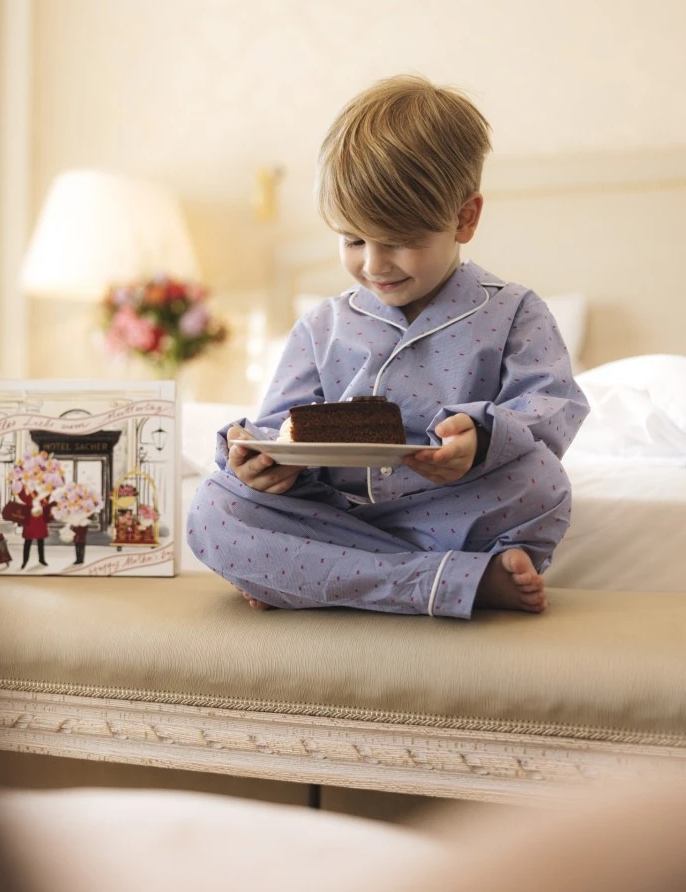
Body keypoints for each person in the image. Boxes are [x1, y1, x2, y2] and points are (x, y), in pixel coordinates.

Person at [187, 75, 589, 619]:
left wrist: (483, 437)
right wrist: (252, 458)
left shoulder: (514, 311)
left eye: (399, 241)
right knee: (214, 509)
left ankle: (314, 580)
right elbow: (279, 424)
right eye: (353, 240)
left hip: (449, 511)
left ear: (464, 218)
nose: (374, 265)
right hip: (333, 514)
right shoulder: (320, 326)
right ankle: (454, 583)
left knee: (541, 485)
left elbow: (553, 409)